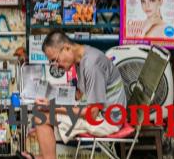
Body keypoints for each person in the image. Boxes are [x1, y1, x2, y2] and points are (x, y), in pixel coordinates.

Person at [18, 31, 126, 159]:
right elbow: (78, 95)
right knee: (44, 113)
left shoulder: (92, 65)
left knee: (41, 117)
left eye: (55, 60)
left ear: (67, 48)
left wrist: (52, 107)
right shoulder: (83, 56)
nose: (56, 66)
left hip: (108, 120)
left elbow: (92, 114)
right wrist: (53, 96)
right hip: (102, 113)